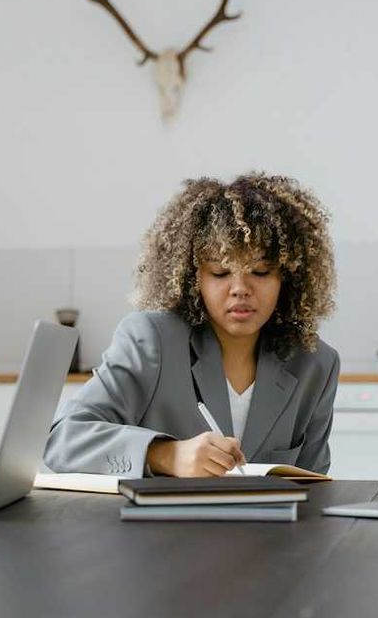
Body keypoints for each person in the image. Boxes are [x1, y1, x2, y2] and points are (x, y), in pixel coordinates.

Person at [43, 173, 340, 478]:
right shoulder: (152, 341)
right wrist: (164, 454)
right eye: (221, 272)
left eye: (261, 271)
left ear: (288, 278)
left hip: (272, 526)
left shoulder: (315, 364)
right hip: (161, 525)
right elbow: (63, 439)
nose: (240, 288)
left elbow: (314, 485)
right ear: (192, 277)